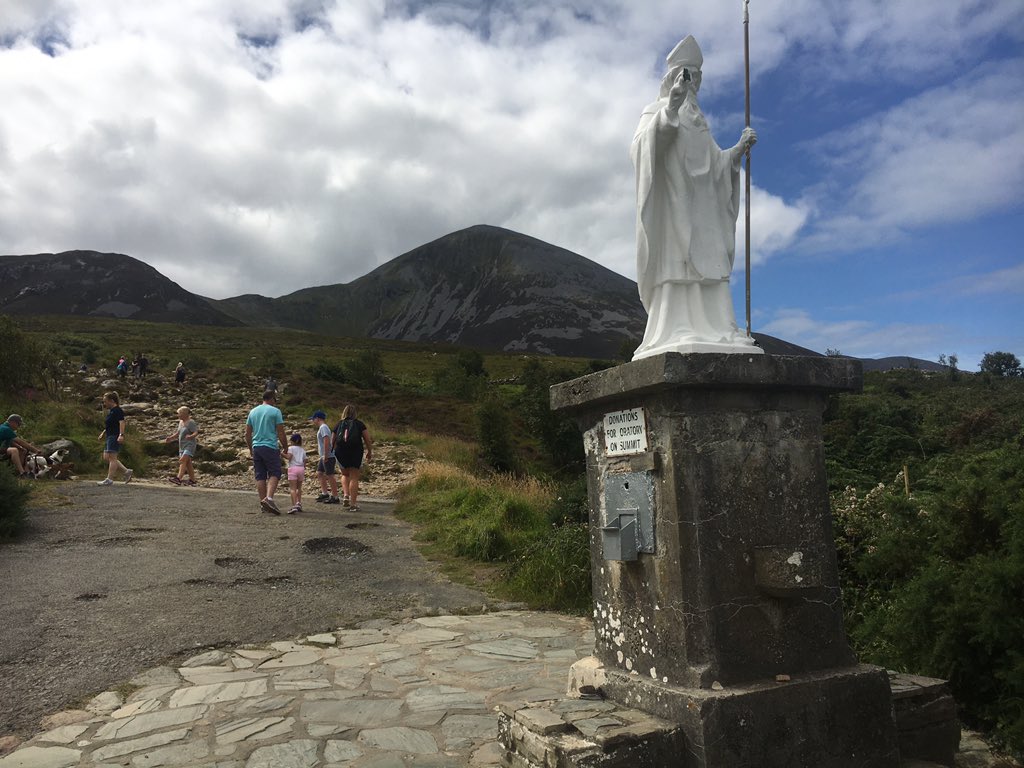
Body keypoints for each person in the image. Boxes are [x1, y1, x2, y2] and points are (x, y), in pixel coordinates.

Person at [631, 35, 761, 361]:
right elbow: (642, 150)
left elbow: (714, 164)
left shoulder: (700, 121)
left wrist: (736, 152)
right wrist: (670, 109)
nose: (692, 83)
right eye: (687, 75)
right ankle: (678, 327)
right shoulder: (657, 111)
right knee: (680, 263)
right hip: (675, 205)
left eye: (696, 77)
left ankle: (724, 328)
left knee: (712, 263)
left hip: (705, 209)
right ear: (673, 78)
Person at [244, 390, 287, 515]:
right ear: (272, 399)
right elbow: (280, 432)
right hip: (270, 446)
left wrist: (251, 448)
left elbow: (247, 434)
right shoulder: (275, 411)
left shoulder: (253, 412)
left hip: (257, 447)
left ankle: (263, 503)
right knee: (275, 472)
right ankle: (268, 498)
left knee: (260, 475)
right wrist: (285, 446)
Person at [334, 404, 372, 511]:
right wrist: (369, 451)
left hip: (341, 452)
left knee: (345, 474)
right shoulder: (359, 424)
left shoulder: (339, 424)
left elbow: (333, 439)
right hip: (355, 451)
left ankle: (346, 495)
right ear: (355, 413)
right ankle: (353, 504)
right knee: (354, 476)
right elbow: (367, 439)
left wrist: (332, 452)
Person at [97, 391, 133, 485]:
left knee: (112, 457)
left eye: (105, 401)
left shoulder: (117, 410)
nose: (104, 404)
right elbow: (110, 425)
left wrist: (121, 435)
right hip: (109, 435)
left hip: (114, 436)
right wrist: (103, 433)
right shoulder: (111, 412)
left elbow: (122, 423)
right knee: (106, 457)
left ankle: (109, 479)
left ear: (111, 401)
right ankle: (126, 471)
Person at [309, 410, 340, 505]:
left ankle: (335, 496)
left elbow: (327, 440)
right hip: (323, 456)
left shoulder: (323, 427)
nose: (313, 421)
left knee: (330, 475)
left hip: (328, 456)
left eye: (313, 419)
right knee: (319, 473)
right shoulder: (322, 428)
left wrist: (326, 454)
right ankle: (325, 493)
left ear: (317, 418)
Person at [164, 406, 199, 486]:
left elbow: (196, 432)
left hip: (189, 445)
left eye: (179, 414)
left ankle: (178, 478)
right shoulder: (180, 422)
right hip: (182, 445)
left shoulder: (191, 422)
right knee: (188, 463)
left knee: (183, 460)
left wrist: (191, 436)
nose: (178, 415)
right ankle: (192, 480)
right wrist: (170, 438)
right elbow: (178, 433)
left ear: (185, 414)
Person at [1, 414, 43, 478]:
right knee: (14, 450)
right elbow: (21, 442)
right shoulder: (6, 429)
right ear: (13, 422)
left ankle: (23, 471)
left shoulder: (4, 427)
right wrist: (35, 450)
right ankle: (22, 473)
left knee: (22, 450)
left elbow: (11, 442)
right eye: (18, 424)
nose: (18, 427)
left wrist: (21, 448)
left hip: (2, 448)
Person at [283, 433, 306, 515]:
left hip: (293, 468)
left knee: (292, 488)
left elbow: (289, 457)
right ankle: (299, 503)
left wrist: (282, 454)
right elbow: (304, 461)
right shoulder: (302, 450)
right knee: (298, 488)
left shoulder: (291, 448)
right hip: (301, 469)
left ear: (292, 441)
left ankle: (294, 505)